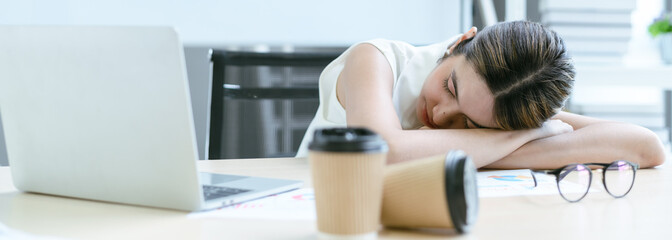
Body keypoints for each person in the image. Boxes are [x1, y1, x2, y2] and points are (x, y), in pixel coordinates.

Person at [296, 21, 665, 169]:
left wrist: (505, 138)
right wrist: (526, 137)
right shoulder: (375, 59)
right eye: (449, 87)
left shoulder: (505, 105)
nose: (441, 117)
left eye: (470, 125)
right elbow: (381, 154)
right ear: (460, 42)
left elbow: (645, 146)